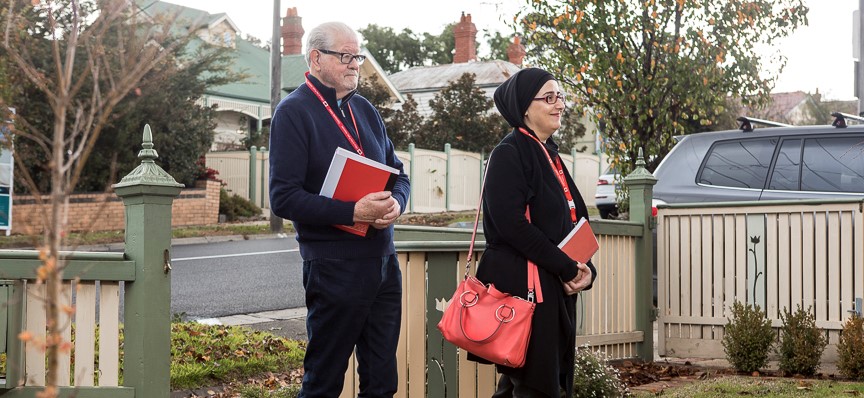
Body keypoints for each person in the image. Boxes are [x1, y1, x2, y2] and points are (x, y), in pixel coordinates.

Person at [268, 21, 410, 398]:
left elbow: (399, 174)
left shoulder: (365, 109)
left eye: (357, 57)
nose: (354, 65)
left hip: (383, 263)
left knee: (382, 384)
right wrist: (353, 212)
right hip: (333, 268)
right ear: (316, 58)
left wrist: (397, 201)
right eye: (345, 56)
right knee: (323, 382)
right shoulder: (293, 112)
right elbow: (283, 198)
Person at [469, 67, 597, 397]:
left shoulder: (549, 153)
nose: (559, 105)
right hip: (525, 290)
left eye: (561, 97)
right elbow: (512, 226)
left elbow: (574, 218)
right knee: (536, 386)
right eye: (549, 98)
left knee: (532, 384)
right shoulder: (509, 153)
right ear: (526, 107)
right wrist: (567, 267)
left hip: (553, 287)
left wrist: (586, 268)